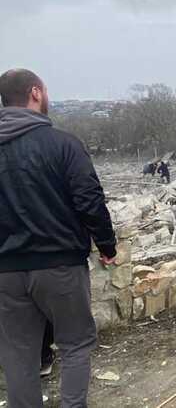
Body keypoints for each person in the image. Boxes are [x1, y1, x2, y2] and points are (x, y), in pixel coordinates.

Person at [0, 69, 117, 407]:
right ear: (36, 93)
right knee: (75, 344)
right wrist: (107, 246)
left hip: (5, 272)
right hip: (61, 266)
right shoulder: (64, 144)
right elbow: (90, 200)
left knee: (17, 355)